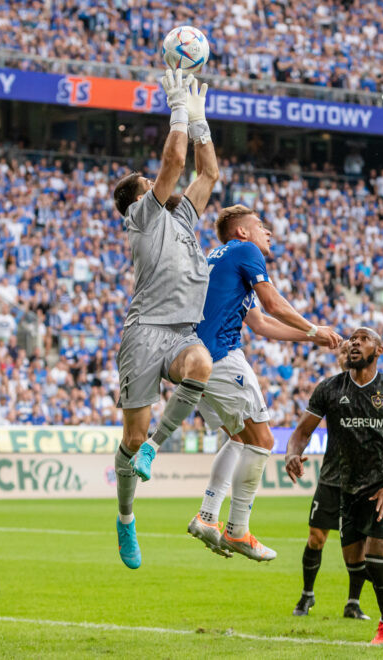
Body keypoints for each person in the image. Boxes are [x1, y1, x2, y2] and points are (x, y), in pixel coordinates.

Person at [185, 204, 341, 562]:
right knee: (264, 440)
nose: (267, 232)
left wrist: (309, 339)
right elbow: (272, 304)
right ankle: (238, 529)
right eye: (260, 226)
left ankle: (206, 516)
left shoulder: (220, 258)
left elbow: (260, 324)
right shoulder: (246, 251)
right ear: (242, 232)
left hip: (194, 359)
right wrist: (314, 327)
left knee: (239, 438)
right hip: (221, 354)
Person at [110, 69, 219, 569]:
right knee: (128, 440)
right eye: (148, 183)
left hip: (179, 333)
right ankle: (126, 518)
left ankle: (156, 447)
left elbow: (208, 174)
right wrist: (176, 109)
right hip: (143, 334)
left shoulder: (181, 217)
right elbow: (174, 164)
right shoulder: (145, 216)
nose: (157, 184)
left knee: (201, 363)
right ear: (138, 198)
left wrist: (199, 122)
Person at [285, 328, 383, 646]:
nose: (355, 343)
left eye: (363, 339)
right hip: (346, 486)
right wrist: (292, 453)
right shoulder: (329, 389)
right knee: (357, 566)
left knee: (376, 561)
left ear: (379, 349)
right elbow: (302, 431)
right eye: (352, 339)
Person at [293, 342, 383, 620]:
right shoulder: (333, 389)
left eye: (352, 350)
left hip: (366, 479)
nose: (348, 354)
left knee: (360, 553)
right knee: (316, 537)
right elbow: (303, 429)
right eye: (345, 351)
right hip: (333, 475)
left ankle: (353, 602)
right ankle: (307, 595)